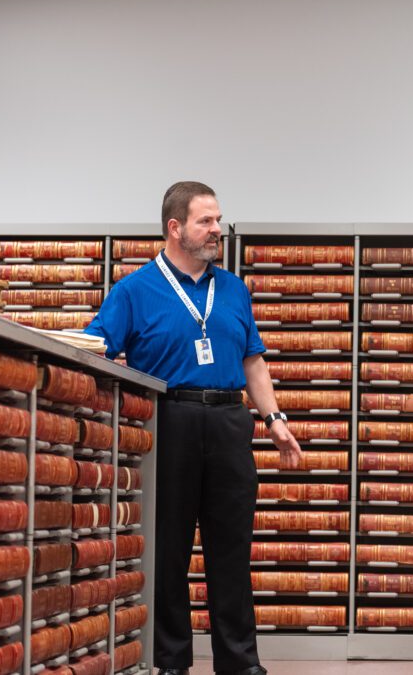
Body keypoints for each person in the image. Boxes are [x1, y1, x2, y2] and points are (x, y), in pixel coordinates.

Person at [86, 181, 301, 675]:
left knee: (231, 552)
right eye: (206, 220)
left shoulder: (233, 289)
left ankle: (240, 663)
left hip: (229, 423)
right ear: (175, 228)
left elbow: (253, 360)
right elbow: (95, 349)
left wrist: (274, 418)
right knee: (168, 553)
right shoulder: (134, 290)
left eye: (219, 219)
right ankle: (170, 662)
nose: (217, 229)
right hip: (168, 421)